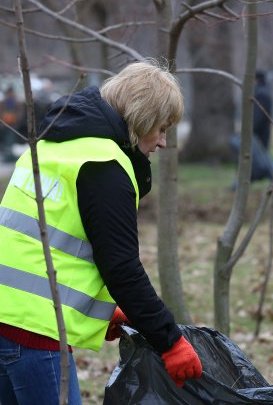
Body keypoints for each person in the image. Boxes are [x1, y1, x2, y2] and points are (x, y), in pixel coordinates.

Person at [0, 61, 202, 404]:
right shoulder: (104, 166)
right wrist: (170, 341)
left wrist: (104, 310)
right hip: (36, 333)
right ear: (142, 118)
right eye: (162, 128)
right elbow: (122, 268)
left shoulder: (52, 143)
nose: (164, 142)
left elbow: (45, 241)